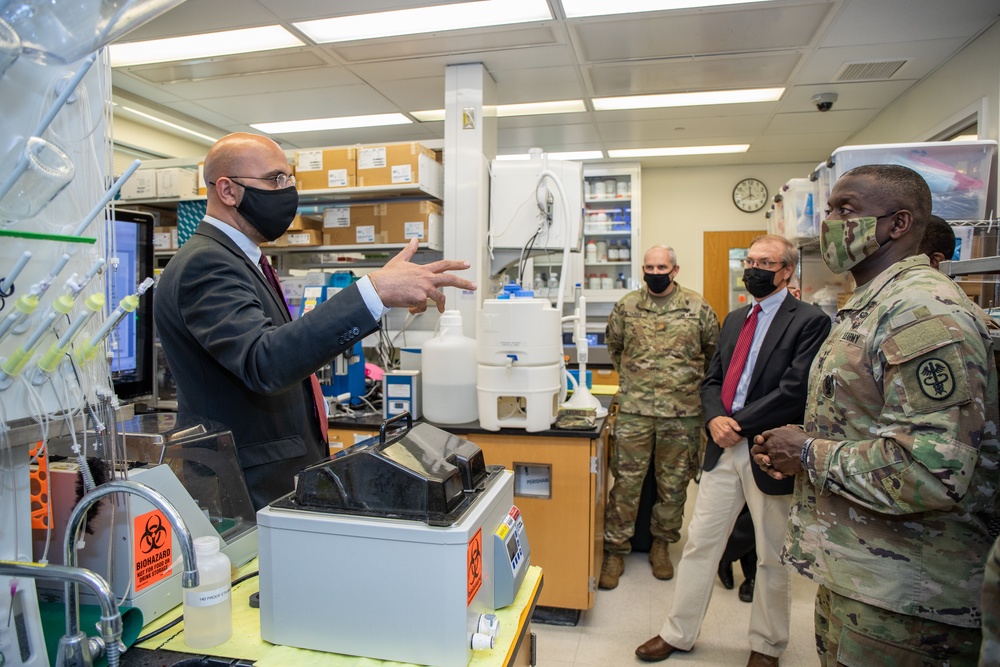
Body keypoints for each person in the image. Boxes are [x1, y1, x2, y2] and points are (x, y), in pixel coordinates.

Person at [751, 164, 1000, 665]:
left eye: (847, 210)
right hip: (862, 576)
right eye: (829, 210)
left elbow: (930, 469)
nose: (830, 223)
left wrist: (806, 451)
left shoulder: (922, 313)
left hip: (910, 599)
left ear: (898, 224)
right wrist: (804, 448)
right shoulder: (872, 306)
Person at [154, 132, 477, 510]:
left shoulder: (243, 260)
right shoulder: (206, 262)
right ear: (227, 190)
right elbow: (265, 361)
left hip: (268, 479)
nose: (287, 191)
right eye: (276, 180)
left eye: (290, 180)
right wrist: (372, 292)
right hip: (243, 487)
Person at [635, 235, 831, 666]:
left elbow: (794, 390)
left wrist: (738, 423)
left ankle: (766, 645)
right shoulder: (735, 318)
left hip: (767, 449)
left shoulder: (810, 321)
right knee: (701, 544)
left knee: (771, 554)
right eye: (750, 260)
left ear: (786, 271)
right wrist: (714, 419)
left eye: (766, 262)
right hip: (722, 449)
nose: (755, 268)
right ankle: (677, 632)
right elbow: (712, 380)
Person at [599, 245, 719, 589]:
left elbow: (712, 354)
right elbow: (615, 347)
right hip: (635, 411)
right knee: (625, 485)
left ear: (675, 270)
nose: (655, 272)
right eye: (649, 266)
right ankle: (615, 551)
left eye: (661, 266)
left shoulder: (698, 307)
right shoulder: (627, 306)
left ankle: (661, 545)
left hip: (682, 415)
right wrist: (638, 380)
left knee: (673, 486)